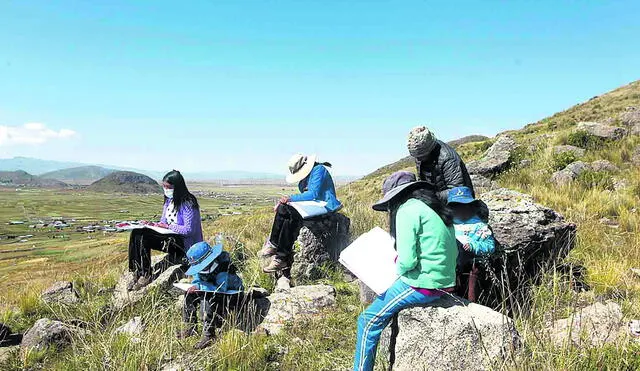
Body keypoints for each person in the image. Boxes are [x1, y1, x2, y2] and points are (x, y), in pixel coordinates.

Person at [353, 171, 458, 371]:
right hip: (445, 280)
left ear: (394, 198)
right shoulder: (433, 207)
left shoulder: (407, 210)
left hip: (424, 284)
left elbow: (408, 261)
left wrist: (397, 265)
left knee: (366, 322)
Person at [259, 153, 342, 273]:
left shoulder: (319, 170)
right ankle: (274, 244)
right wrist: (286, 202)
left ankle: (281, 257)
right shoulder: (305, 177)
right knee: (283, 208)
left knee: (292, 213)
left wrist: (290, 199)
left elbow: (312, 194)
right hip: (314, 206)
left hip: (326, 206)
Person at [128, 170, 204, 290]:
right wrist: (152, 224)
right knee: (137, 232)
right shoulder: (169, 200)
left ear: (177, 187)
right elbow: (163, 222)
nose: (166, 189)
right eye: (164, 186)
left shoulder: (188, 202)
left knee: (144, 237)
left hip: (183, 243)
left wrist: (168, 226)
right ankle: (137, 270)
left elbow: (189, 230)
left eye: (168, 187)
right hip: (170, 236)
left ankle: (145, 274)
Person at [176, 241, 244, 349]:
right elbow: (197, 278)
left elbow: (220, 288)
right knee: (189, 294)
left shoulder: (223, 267)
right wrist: (196, 286)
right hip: (210, 289)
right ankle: (190, 327)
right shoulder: (202, 268)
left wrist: (200, 287)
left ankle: (209, 335)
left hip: (230, 296)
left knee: (206, 299)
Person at [448, 186, 495, 302]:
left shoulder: (480, 226)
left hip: (472, 266)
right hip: (451, 266)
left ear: (472, 207)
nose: (462, 210)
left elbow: (490, 246)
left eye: (465, 206)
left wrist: (473, 246)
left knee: (471, 295)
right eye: (457, 206)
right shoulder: (448, 225)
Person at [407, 126, 475, 204]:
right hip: (437, 201)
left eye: (421, 156)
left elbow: (457, 191)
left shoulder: (448, 158)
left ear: (430, 149)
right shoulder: (420, 156)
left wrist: (431, 196)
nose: (418, 159)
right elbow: (422, 180)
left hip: (459, 204)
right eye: (416, 156)